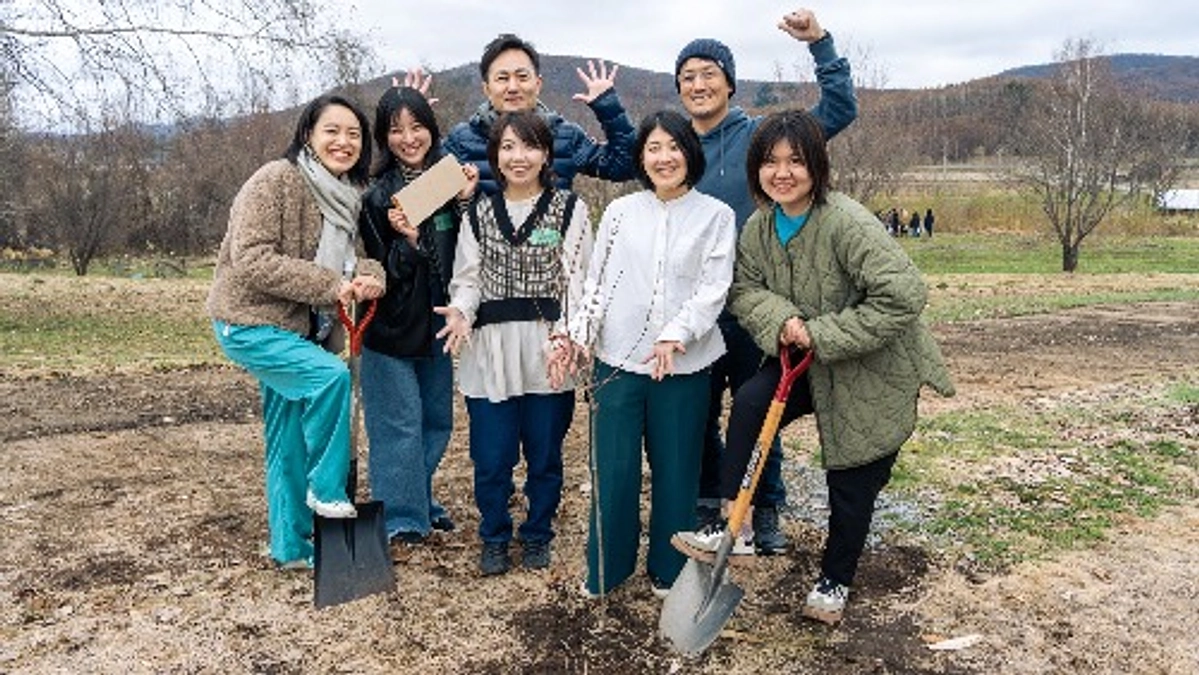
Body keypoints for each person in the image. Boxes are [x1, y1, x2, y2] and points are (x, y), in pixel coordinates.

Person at [672, 109, 954, 624]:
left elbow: (905, 294)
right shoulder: (759, 227)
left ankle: (835, 579)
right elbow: (745, 289)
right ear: (756, 167)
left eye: (796, 161)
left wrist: (820, 333)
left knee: (853, 476)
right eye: (771, 161)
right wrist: (783, 321)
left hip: (870, 364)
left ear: (816, 167)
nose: (783, 172)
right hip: (805, 362)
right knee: (753, 400)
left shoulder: (845, 221)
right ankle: (730, 523)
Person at [677, 8, 858, 555]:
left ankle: (768, 506)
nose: (699, 84)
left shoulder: (759, 135)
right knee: (701, 413)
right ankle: (716, 507)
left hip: (757, 305)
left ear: (729, 83)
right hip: (696, 306)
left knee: (761, 411)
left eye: (709, 73)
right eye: (687, 76)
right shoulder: (676, 147)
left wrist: (821, 46)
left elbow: (839, 110)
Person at [206, 94, 386, 570]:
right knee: (330, 379)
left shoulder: (347, 194)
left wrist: (371, 278)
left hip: (301, 329)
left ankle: (291, 547)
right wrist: (334, 285)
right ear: (308, 133)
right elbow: (253, 259)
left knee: (284, 438)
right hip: (250, 323)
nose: (343, 142)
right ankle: (327, 491)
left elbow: (361, 255)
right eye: (332, 131)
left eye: (353, 134)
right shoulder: (276, 180)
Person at [565, 110, 736, 599]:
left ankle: (669, 570)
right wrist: (579, 333)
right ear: (642, 157)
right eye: (654, 148)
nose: (664, 157)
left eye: (674, 146)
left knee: (677, 471)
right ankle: (606, 569)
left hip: (684, 366)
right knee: (613, 470)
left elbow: (712, 289)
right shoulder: (621, 212)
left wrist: (676, 333)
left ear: (691, 152)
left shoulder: (715, 216)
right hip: (617, 360)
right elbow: (596, 283)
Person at [436, 110, 593, 576]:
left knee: (545, 453)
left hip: (547, 349)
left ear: (546, 152)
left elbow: (580, 282)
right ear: (494, 155)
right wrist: (462, 312)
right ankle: (494, 535)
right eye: (507, 147)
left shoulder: (571, 209)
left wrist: (568, 334)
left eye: (528, 146)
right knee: (491, 456)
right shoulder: (480, 211)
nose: (518, 157)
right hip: (490, 350)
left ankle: (538, 533)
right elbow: (467, 278)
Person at [357, 85, 479, 545]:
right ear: (383, 138)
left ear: (431, 128)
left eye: (417, 127)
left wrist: (466, 200)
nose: (409, 138)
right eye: (396, 130)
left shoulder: (449, 182)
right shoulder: (376, 198)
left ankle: (417, 496)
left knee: (435, 422)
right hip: (389, 329)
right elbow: (378, 270)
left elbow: (467, 253)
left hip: (438, 323)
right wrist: (407, 243)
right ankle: (402, 518)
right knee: (397, 425)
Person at [443, 33, 637, 194]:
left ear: (538, 84)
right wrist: (415, 118)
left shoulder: (564, 136)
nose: (513, 87)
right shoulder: (463, 140)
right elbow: (419, 201)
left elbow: (624, 166)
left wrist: (608, 107)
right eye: (502, 78)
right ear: (486, 88)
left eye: (522, 77)